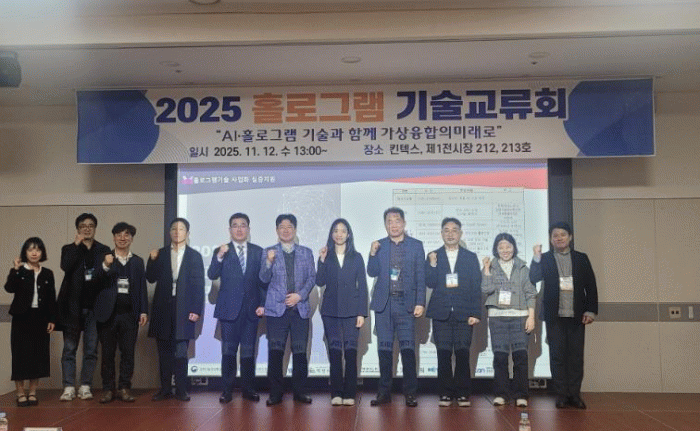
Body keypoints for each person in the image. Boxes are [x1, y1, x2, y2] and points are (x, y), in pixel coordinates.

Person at [529, 222, 598, 410]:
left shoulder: (581, 258)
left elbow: (591, 286)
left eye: (562, 234)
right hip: (554, 316)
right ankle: (561, 395)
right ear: (551, 239)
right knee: (557, 356)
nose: (559, 238)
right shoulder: (544, 258)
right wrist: (536, 258)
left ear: (570, 237)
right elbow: (533, 278)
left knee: (576, 357)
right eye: (555, 235)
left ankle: (574, 395)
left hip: (577, 315)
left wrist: (590, 310)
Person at [367, 207, 425, 407]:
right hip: (385, 304)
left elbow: (421, 275)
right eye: (389, 221)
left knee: (408, 351)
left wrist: (420, 302)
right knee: (384, 351)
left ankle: (410, 393)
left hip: (406, 304)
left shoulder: (416, 246)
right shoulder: (379, 245)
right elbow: (372, 272)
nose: (393, 225)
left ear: (404, 223)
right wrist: (372, 253)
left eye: (397, 220)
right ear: (385, 225)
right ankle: (384, 393)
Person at [208, 213, 267, 404]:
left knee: (249, 354)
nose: (239, 229)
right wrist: (219, 256)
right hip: (229, 310)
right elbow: (212, 274)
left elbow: (263, 282)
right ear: (230, 230)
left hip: (251, 310)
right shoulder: (221, 251)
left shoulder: (258, 251)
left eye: (243, 225)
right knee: (228, 353)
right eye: (235, 225)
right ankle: (227, 390)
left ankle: (248, 389)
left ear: (248, 229)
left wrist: (262, 304)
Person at [259, 214, 316, 406]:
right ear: (277, 230)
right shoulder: (268, 252)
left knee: (300, 353)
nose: (285, 230)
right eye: (281, 227)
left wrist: (300, 295)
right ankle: (275, 393)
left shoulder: (306, 252)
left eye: (289, 226)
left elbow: (312, 278)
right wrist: (268, 262)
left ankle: (300, 392)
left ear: (295, 229)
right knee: (275, 353)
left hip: (300, 309)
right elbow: (263, 278)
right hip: (276, 310)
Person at [425, 217, 482, 407]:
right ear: (441, 234)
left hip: (464, 313)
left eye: (454, 230)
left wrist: (475, 313)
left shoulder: (470, 257)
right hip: (441, 312)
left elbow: (476, 287)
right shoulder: (433, 256)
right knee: (443, 354)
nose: (450, 234)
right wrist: (432, 264)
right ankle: (445, 393)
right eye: (446, 230)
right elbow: (430, 282)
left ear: (460, 233)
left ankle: (463, 393)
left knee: (463, 353)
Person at [147, 218, 205, 402]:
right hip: (163, 308)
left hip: (184, 309)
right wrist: (152, 260)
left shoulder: (194, 256)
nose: (177, 232)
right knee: (164, 352)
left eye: (181, 229)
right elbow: (150, 277)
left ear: (187, 233)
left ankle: (181, 389)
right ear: (169, 232)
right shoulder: (161, 253)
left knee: (181, 353)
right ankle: (165, 389)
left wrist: (196, 309)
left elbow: (199, 285)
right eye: (174, 229)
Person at [56, 213, 111, 401]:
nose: (87, 228)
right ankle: (69, 387)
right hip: (72, 308)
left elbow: (106, 276)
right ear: (78, 229)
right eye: (83, 226)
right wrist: (76, 245)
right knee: (69, 350)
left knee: (91, 350)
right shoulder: (69, 248)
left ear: (95, 228)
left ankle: (85, 385)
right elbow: (65, 266)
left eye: (90, 225)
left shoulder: (103, 250)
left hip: (94, 308)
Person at [93, 222, 148, 403]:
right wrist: (106, 265)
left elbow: (141, 288)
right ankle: (108, 389)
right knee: (107, 354)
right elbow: (95, 280)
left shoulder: (138, 261)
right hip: (108, 314)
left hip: (130, 314)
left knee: (128, 353)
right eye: (118, 235)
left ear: (131, 238)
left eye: (126, 235)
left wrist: (143, 311)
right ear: (114, 237)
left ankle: (124, 388)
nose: (122, 238)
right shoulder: (104, 258)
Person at [316, 218, 368, 406]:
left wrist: (361, 313)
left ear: (348, 234)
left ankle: (350, 393)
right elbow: (319, 281)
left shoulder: (357, 257)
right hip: (330, 312)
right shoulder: (326, 256)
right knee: (335, 353)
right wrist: (321, 260)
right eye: (336, 231)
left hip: (352, 312)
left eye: (343, 231)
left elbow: (363, 286)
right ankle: (336, 393)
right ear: (332, 234)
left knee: (351, 354)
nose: (339, 234)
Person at [482, 233, 536, 408]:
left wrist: (531, 317)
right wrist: (486, 269)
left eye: (508, 247)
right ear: (496, 249)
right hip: (497, 317)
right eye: (501, 247)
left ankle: (521, 394)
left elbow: (530, 293)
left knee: (520, 357)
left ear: (514, 248)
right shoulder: (490, 266)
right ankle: (501, 394)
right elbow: (486, 289)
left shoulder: (523, 267)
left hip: (520, 316)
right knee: (500, 357)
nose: (505, 250)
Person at [4, 237, 57, 407]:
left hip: (40, 318)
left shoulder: (47, 273)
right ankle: (20, 393)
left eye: (38, 249)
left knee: (37, 355)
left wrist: (52, 319)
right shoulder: (19, 271)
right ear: (25, 253)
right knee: (20, 355)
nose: (34, 253)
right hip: (21, 319)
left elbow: (51, 298)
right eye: (30, 249)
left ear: (42, 253)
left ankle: (33, 392)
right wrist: (15, 269)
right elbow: (9, 288)